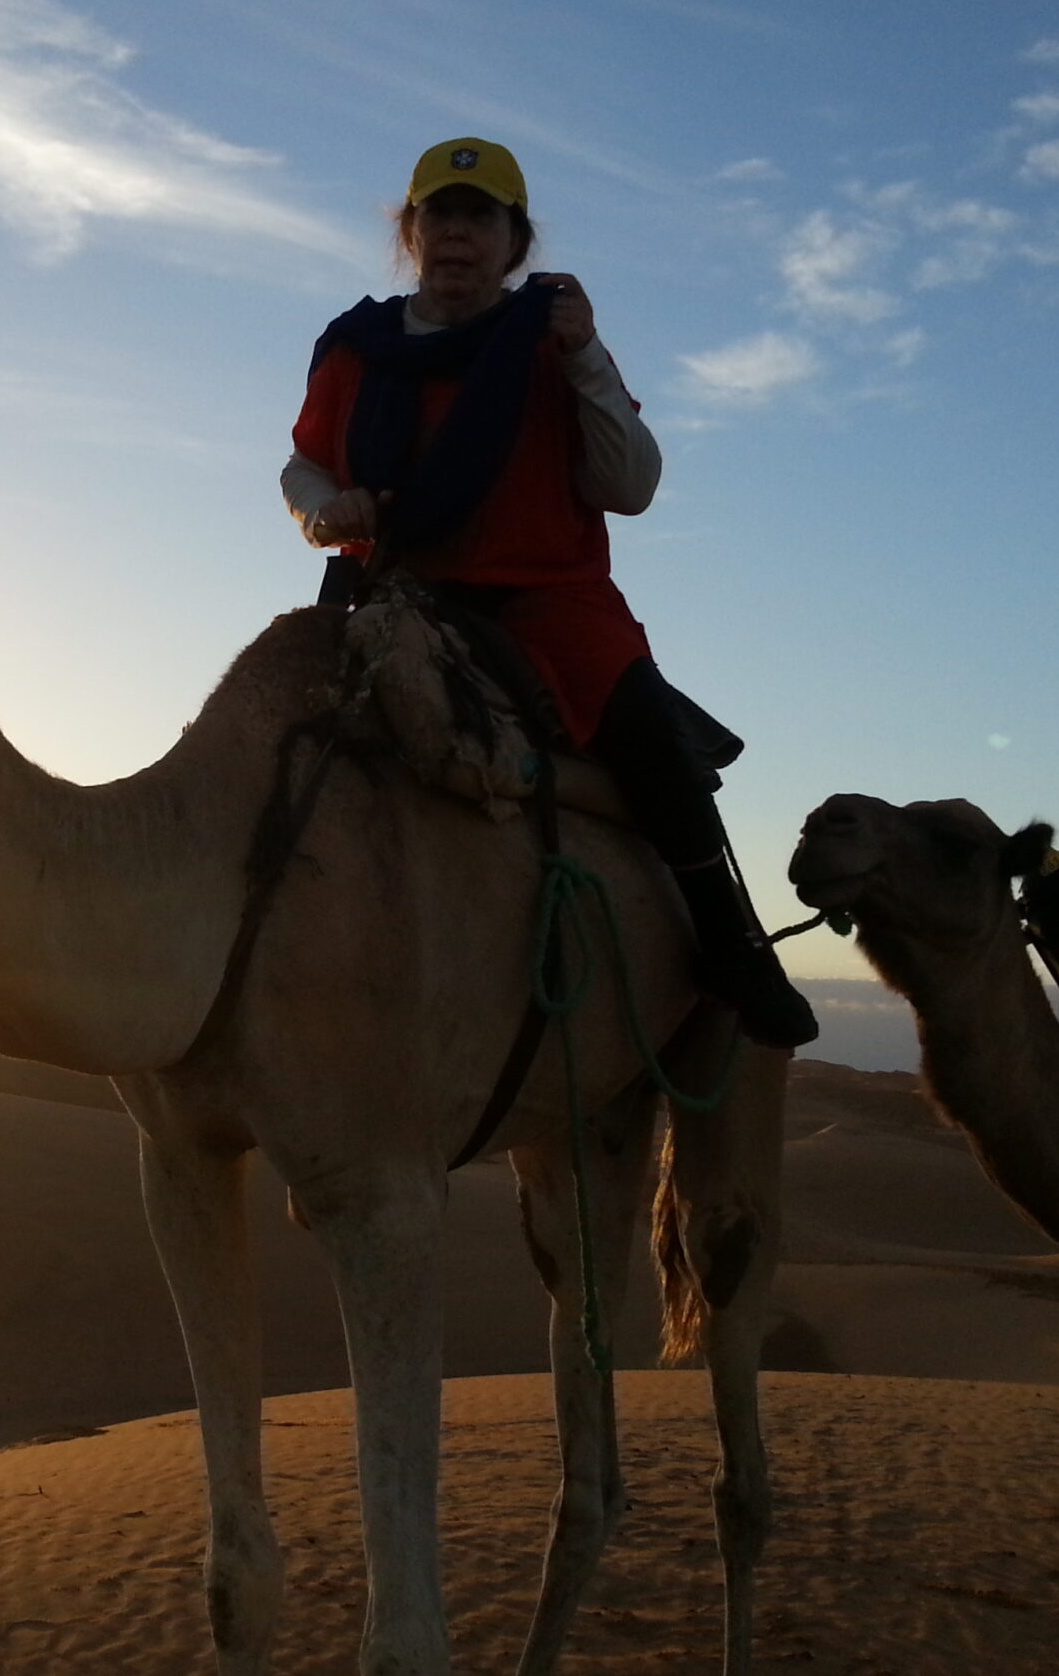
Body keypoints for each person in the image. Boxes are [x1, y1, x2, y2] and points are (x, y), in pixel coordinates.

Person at [280, 136, 815, 1049]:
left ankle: (727, 941)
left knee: (649, 738)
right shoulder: (354, 349)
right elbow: (304, 468)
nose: (458, 234)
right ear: (411, 232)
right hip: (399, 594)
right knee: (275, 721)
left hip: (547, 604)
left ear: (514, 241)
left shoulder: (551, 343)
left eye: (480, 217)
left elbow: (631, 486)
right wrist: (330, 516)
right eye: (440, 215)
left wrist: (586, 359)